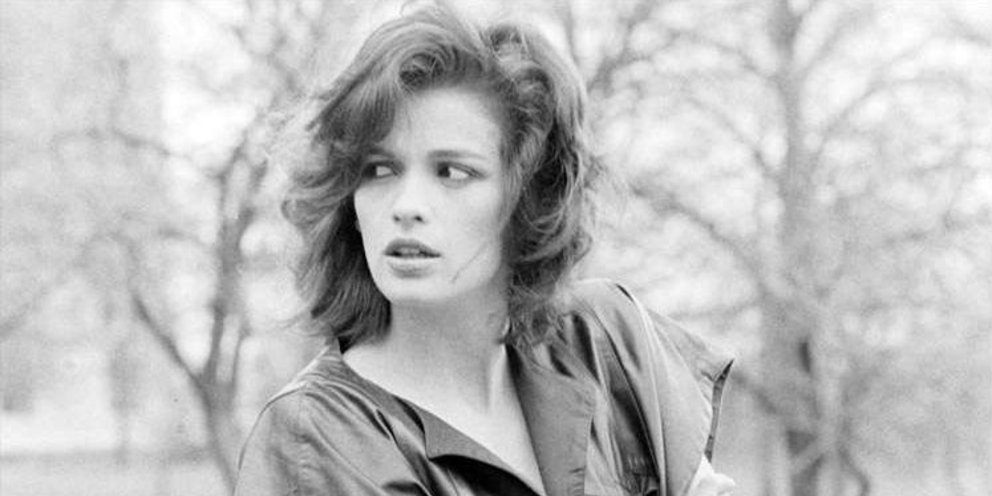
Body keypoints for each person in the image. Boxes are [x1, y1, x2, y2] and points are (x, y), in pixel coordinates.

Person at [235, 3, 735, 495]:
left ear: (527, 197)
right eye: (379, 170)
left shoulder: (605, 343)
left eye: (452, 172)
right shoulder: (320, 436)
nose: (406, 206)